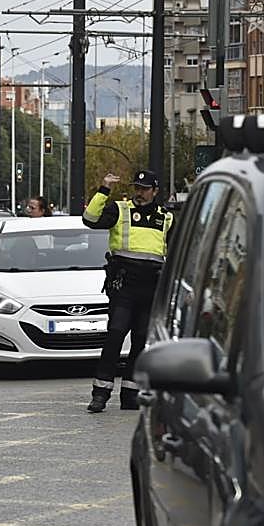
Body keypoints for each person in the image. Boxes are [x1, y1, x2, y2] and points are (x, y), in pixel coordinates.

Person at [82, 169, 173, 413]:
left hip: (151, 285)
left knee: (141, 340)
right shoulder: (119, 209)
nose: (140, 193)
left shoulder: (166, 217)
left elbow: (173, 254)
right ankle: (100, 393)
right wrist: (104, 190)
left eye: (144, 189)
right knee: (116, 333)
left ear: (155, 191)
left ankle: (130, 395)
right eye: (137, 188)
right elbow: (90, 220)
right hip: (124, 284)